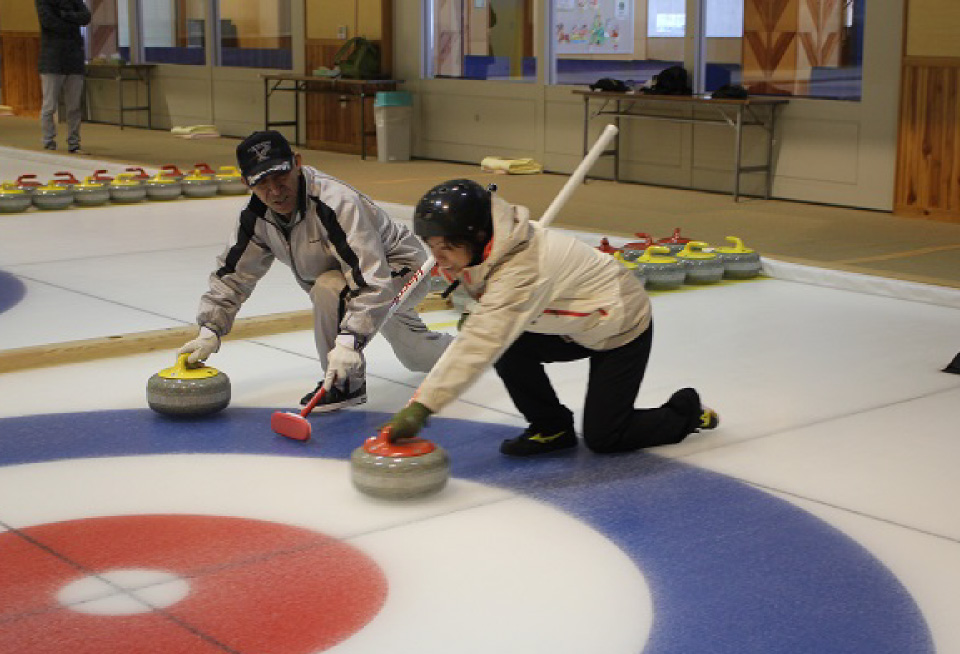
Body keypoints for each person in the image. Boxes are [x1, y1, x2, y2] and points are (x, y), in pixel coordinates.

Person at [387, 179, 719, 456]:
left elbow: (480, 341)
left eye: (445, 247)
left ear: (475, 237)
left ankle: (686, 412)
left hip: (619, 326)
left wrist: (421, 407)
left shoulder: (522, 269)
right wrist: (478, 311)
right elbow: (491, 310)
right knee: (510, 346)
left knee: (606, 437)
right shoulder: (489, 250)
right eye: (432, 246)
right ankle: (552, 427)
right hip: (568, 323)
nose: (437, 258)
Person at [179, 130, 453, 411]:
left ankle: (343, 385)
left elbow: (371, 280)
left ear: (297, 163)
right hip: (354, 281)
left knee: (328, 288)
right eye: (261, 182)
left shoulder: (335, 202)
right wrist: (209, 329)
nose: (274, 191)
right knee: (417, 357)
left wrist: (347, 342)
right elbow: (234, 276)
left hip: (397, 269)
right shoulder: (256, 217)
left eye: (280, 177)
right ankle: (467, 351)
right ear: (246, 183)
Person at [35, 0, 91, 153]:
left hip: (74, 60)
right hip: (52, 60)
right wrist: (74, 21)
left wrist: (66, 15)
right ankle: (48, 141)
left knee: (74, 106)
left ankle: (74, 143)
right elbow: (50, 23)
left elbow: (86, 17)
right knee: (49, 105)